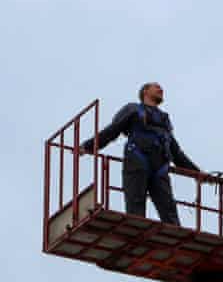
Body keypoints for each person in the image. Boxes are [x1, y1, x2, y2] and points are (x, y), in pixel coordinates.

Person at [80, 82, 203, 225]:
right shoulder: (134, 110)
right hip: (138, 161)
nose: (160, 89)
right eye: (156, 86)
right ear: (145, 91)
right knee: (136, 205)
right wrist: (88, 146)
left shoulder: (164, 121)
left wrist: (196, 173)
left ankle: (176, 238)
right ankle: (135, 231)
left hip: (160, 168)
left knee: (169, 209)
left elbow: (176, 153)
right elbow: (112, 131)